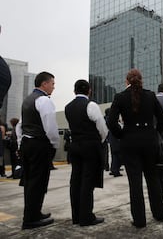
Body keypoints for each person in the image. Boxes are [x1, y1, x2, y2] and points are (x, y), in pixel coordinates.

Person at [107, 69, 163, 228]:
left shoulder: (120, 97)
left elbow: (111, 122)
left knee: (135, 183)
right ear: (141, 80)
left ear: (127, 81)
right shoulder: (150, 95)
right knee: (153, 179)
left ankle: (140, 220)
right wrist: (155, 134)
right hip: (149, 141)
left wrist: (122, 135)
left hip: (130, 142)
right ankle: (160, 214)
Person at [17, 71, 59, 229]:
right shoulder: (44, 100)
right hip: (39, 144)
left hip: (27, 143)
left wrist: (22, 142)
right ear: (44, 84)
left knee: (29, 181)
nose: (53, 87)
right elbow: (51, 128)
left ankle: (33, 213)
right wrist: (54, 145)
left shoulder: (27, 100)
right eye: (52, 84)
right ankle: (31, 219)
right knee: (38, 181)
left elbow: (19, 126)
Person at [65, 79, 109, 226]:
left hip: (75, 146)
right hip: (90, 146)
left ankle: (76, 216)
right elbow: (102, 128)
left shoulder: (68, 107)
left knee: (75, 180)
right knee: (87, 181)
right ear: (89, 90)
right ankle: (86, 216)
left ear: (74, 91)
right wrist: (100, 141)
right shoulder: (91, 105)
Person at [105, 108, 122, 177]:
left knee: (114, 154)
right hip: (115, 139)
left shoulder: (107, 119)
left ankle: (114, 169)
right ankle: (115, 170)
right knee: (117, 155)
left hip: (111, 139)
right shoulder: (111, 120)